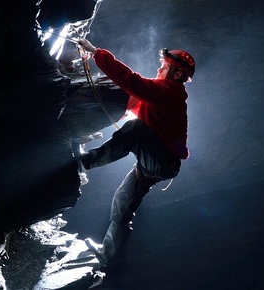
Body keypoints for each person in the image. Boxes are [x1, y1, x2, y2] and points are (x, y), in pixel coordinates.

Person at [72, 38, 195, 270]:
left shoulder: (170, 92)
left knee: (137, 128)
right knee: (122, 205)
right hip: (154, 165)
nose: (159, 68)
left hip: (161, 161)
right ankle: (104, 256)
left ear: (177, 74)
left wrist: (96, 52)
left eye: (165, 66)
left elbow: (132, 81)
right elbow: (135, 99)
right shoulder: (164, 93)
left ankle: (84, 162)